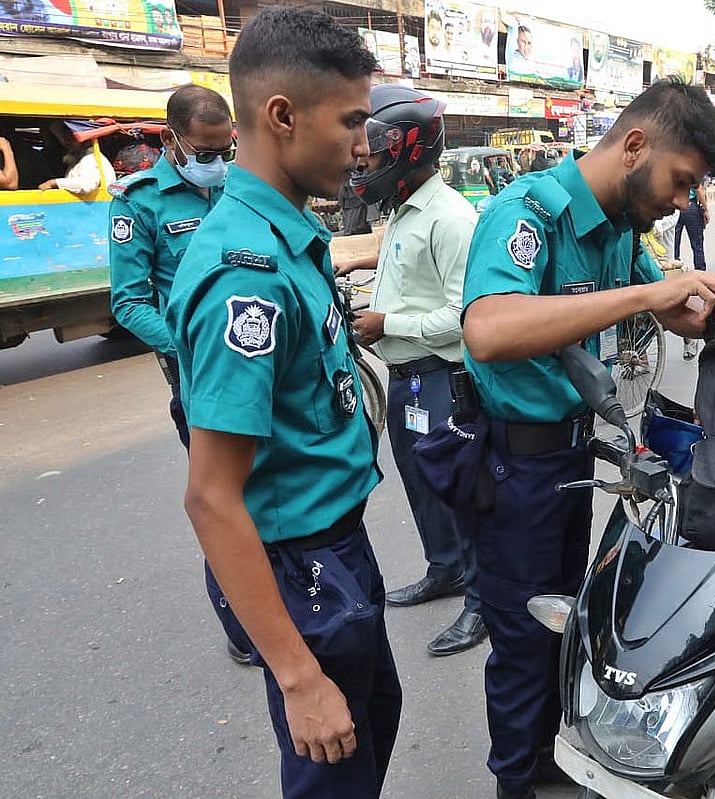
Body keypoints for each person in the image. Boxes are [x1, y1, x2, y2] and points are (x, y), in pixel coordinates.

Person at [458, 76, 715, 799]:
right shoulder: (526, 214)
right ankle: (516, 783)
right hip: (517, 464)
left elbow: (663, 301)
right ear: (635, 145)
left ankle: (552, 763)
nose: (683, 201)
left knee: (568, 625)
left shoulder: (617, 224)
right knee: (523, 643)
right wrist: (648, 295)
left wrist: (698, 298)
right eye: (681, 181)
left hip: (575, 457)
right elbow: (487, 330)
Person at [163, 8, 403, 796]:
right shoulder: (248, 276)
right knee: (332, 766)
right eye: (353, 122)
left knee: (371, 720)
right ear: (282, 115)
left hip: (336, 543)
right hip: (302, 564)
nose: (365, 146)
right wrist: (298, 674)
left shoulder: (287, 232)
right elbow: (211, 496)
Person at [338, 85, 486, 657]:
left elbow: (465, 315)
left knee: (458, 495)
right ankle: (444, 569)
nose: (362, 162)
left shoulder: (451, 218)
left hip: (441, 378)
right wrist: (360, 260)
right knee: (422, 487)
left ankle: (479, 603)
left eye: (372, 152)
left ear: (406, 150)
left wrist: (388, 324)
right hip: (408, 380)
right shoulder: (405, 210)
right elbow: (406, 263)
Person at [108, 85, 251, 665]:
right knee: (223, 501)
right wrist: (192, 342)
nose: (216, 162)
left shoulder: (237, 187)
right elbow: (129, 302)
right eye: (205, 150)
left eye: (226, 149)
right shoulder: (140, 203)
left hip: (256, 362)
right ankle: (241, 625)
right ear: (170, 140)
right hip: (197, 377)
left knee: (269, 491)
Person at [674, 181, 710, 359]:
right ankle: (701, 276)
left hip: (675, 212)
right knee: (697, 245)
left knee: (673, 252)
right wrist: (706, 209)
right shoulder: (691, 167)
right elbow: (699, 189)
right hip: (689, 208)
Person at [38, 122, 116, 194]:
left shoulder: (90, 159)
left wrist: (54, 182)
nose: (67, 141)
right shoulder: (79, 159)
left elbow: (86, 185)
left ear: (86, 141)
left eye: (72, 137)